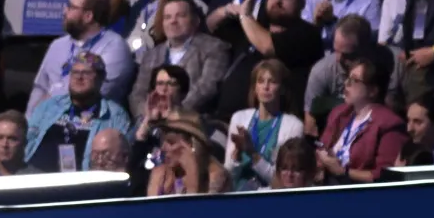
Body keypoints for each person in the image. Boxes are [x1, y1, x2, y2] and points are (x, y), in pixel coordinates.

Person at [22, 53, 133, 173]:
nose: (79, 77)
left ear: (100, 78)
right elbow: (27, 140)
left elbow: (121, 158)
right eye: (75, 72)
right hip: (34, 176)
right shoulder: (49, 106)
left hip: (81, 181)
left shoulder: (114, 115)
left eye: (86, 73)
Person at [29, 0, 136, 109]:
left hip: (94, 117)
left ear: (88, 16)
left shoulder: (115, 47)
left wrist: (51, 95)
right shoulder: (57, 45)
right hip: (47, 116)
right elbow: (40, 88)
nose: (64, 11)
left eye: (71, 7)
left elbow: (92, 93)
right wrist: (31, 118)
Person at [316, 58, 405, 183]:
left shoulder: (390, 124)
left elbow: (385, 176)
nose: (346, 83)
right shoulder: (339, 114)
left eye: (355, 80)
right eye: (347, 78)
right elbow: (322, 148)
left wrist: (343, 171)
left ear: (372, 91)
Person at [224, 59, 305, 190]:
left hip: (270, 195)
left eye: (272, 82)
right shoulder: (239, 118)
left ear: (282, 88)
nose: (266, 87)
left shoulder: (294, 126)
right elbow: (228, 175)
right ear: (255, 88)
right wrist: (237, 154)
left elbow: (283, 181)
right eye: (261, 81)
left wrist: (252, 153)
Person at [146, 115, 232, 197]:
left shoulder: (216, 175)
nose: (163, 148)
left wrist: (192, 173)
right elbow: (151, 206)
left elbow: (195, 206)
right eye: (163, 141)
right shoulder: (163, 173)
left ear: (191, 145)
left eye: (171, 142)